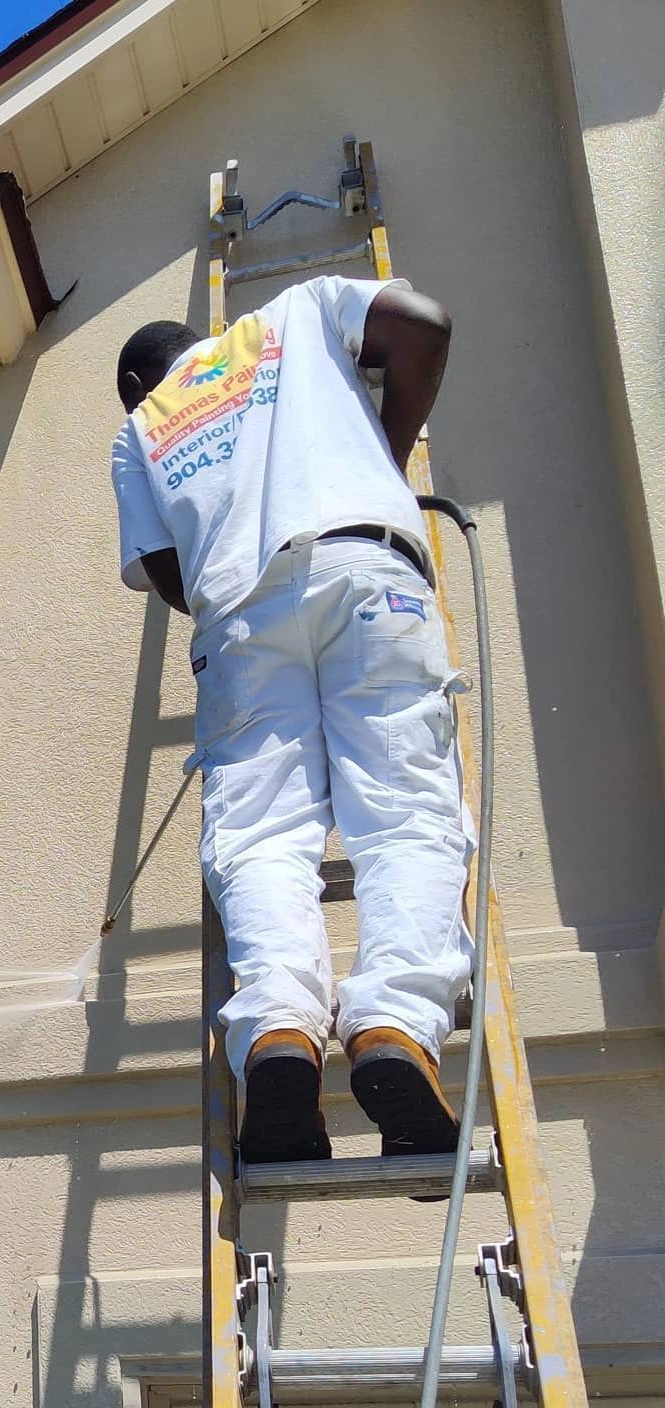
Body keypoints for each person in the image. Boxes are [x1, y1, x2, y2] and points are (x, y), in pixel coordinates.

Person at [110, 275, 470, 1164]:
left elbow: (172, 578)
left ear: (139, 385)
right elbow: (425, 326)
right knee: (403, 812)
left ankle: (278, 1031)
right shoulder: (294, 316)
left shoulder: (139, 428)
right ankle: (394, 1026)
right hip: (367, 570)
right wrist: (382, 461)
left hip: (237, 614)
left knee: (261, 835)